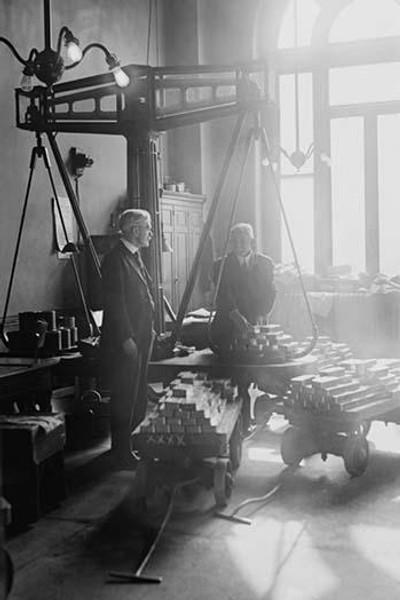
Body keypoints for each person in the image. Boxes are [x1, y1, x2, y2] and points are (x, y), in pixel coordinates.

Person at [100, 209, 155, 468]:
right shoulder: (115, 260)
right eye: (147, 228)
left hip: (143, 337)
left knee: (138, 395)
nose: (150, 233)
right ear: (134, 230)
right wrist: (126, 338)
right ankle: (120, 452)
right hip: (127, 342)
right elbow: (115, 303)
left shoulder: (134, 257)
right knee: (124, 396)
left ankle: (132, 446)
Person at [210, 222, 277, 433]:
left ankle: (249, 415)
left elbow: (270, 291)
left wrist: (262, 313)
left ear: (252, 242)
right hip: (228, 325)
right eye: (235, 241)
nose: (239, 244)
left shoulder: (265, 263)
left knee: (253, 371)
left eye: (243, 240)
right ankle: (240, 421)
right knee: (234, 374)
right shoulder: (220, 265)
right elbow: (222, 294)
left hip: (254, 324)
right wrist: (233, 314)